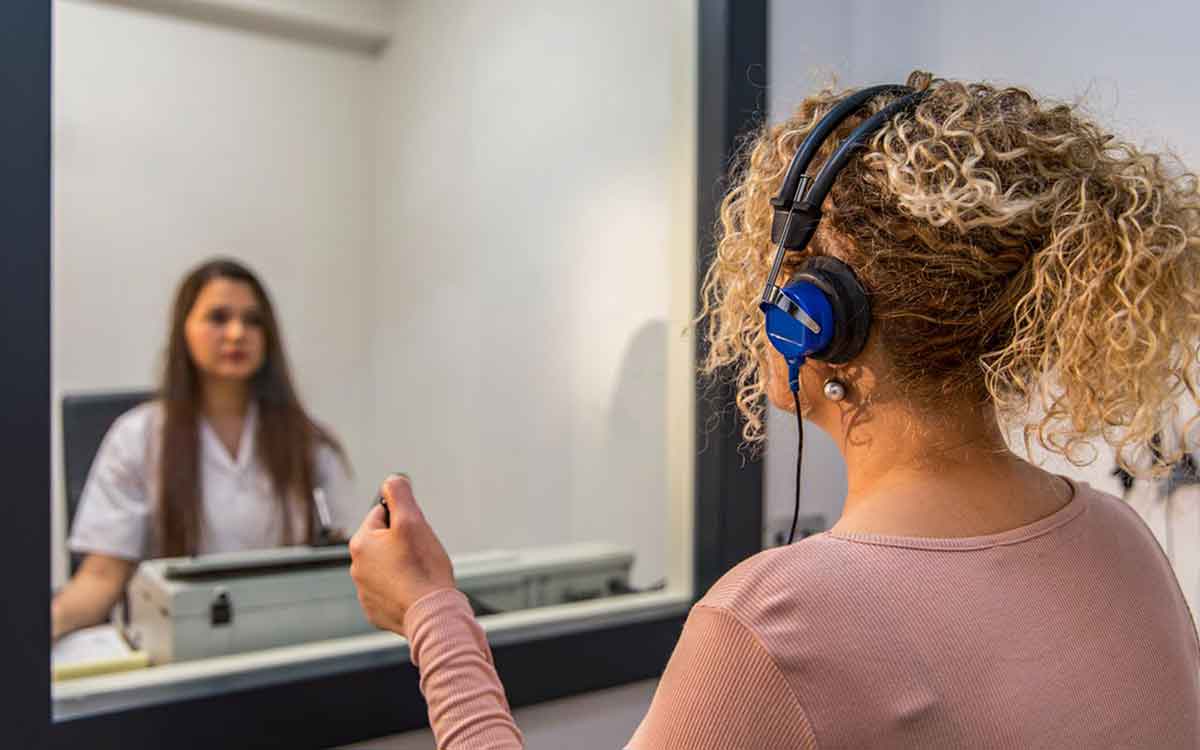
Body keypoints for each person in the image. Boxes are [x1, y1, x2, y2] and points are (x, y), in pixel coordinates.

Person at [349, 72, 1200, 748]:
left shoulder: (777, 622)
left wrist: (432, 614)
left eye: (770, 269)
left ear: (818, 319)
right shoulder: (1120, 540)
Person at [53, 258, 355, 641]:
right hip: (176, 649)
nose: (236, 333)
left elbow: (342, 563)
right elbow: (100, 577)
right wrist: (49, 624)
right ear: (184, 331)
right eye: (218, 317)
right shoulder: (138, 437)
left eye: (252, 320)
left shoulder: (308, 442)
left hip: (283, 641)